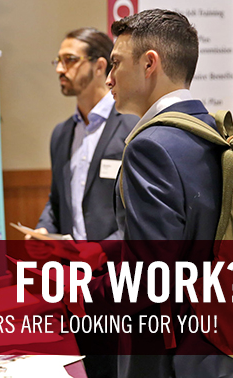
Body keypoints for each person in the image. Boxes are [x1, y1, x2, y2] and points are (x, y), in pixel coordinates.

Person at [68, 10, 233, 378]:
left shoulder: (150, 146)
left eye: (116, 64)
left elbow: (149, 280)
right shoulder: (216, 132)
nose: (109, 79)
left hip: (171, 356)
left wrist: (81, 287)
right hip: (227, 347)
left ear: (149, 63)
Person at [29, 27, 138, 378]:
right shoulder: (62, 133)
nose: (60, 69)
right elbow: (57, 200)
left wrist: (101, 252)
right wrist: (44, 229)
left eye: (70, 60)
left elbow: (139, 218)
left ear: (100, 66)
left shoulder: (133, 129)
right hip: (70, 286)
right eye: (58, 61)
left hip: (118, 283)